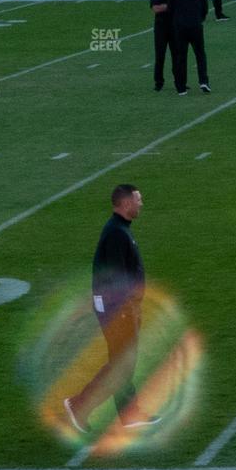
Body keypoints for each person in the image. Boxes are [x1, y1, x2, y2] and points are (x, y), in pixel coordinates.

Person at [65, 185, 156, 437]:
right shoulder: (117, 234)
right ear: (126, 204)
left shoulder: (119, 230)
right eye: (138, 199)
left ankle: (129, 413)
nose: (141, 203)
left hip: (119, 307)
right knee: (121, 363)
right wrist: (128, 309)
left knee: (122, 363)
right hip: (118, 308)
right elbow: (116, 279)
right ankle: (78, 405)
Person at [168, 0, 210, 91]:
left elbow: (170, 9)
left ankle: (181, 86)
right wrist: (198, 19)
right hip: (196, 26)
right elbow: (205, 9)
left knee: (181, 56)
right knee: (200, 54)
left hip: (180, 28)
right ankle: (203, 81)